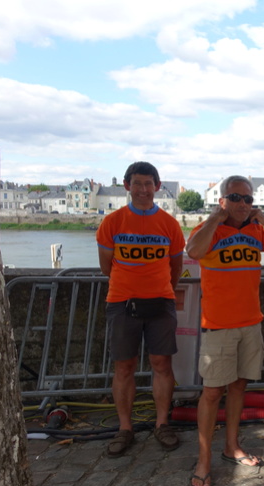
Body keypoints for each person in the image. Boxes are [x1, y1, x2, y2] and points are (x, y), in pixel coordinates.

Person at [186, 175, 264, 486]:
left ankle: (231, 446)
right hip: (218, 325)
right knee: (211, 392)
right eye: (235, 198)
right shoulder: (208, 229)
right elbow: (194, 252)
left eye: (248, 199)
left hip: (250, 322)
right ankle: (204, 458)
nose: (242, 204)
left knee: (238, 387)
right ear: (222, 200)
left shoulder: (257, 231)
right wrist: (214, 218)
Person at [96, 161, 185, 457]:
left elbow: (175, 267)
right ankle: (125, 428)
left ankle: (162, 424)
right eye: (137, 183)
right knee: (124, 367)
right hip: (122, 302)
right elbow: (106, 267)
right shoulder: (112, 222)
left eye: (149, 184)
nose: (143, 190)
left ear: (158, 187)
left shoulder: (170, 225)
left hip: (161, 302)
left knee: (162, 365)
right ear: (127, 186)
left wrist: (159, 288)